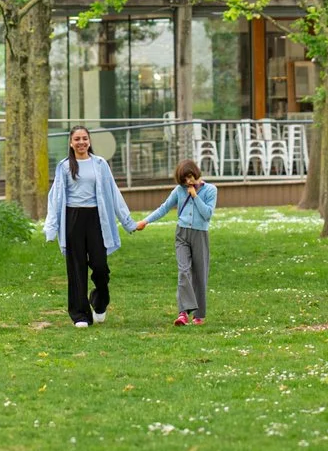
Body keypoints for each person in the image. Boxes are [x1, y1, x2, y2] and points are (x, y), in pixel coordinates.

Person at [44, 125, 134, 327]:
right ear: (71, 143)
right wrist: (51, 227)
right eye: (77, 139)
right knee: (76, 269)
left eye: (84, 138)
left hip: (96, 218)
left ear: (89, 141)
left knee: (100, 267)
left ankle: (100, 301)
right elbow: (56, 198)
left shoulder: (100, 164)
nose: (81, 142)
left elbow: (113, 193)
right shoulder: (65, 166)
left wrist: (128, 222)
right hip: (73, 219)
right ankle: (80, 315)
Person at [134, 160, 217, 325]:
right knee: (183, 271)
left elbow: (207, 214)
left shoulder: (210, 190)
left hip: (200, 234)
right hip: (182, 233)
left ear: (196, 173)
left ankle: (199, 314)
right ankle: (183, 313)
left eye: (190, 177)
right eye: (184, 179)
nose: (188, 182)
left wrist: (195, 196)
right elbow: (164, 208)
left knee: (200, 274)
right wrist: (146, 221)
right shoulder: (179, 191)